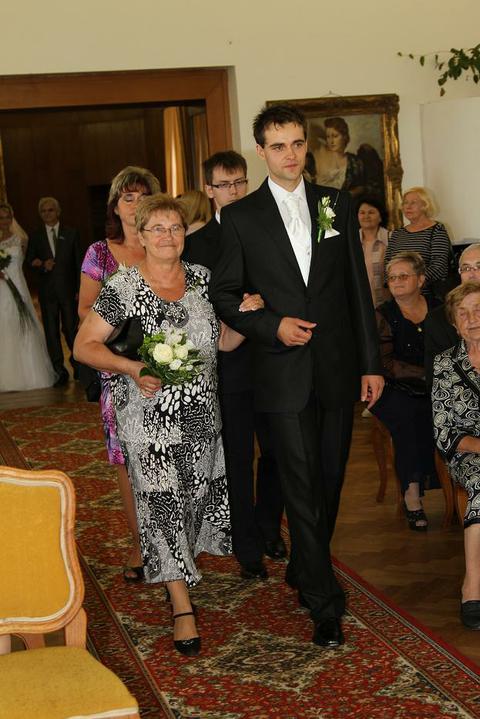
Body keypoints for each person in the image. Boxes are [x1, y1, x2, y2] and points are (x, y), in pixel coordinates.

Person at [210, 103, 383, 648]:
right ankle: (324, 602)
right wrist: (271, 325)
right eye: (278, 145)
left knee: (330, 479)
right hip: (281, 373)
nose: (290, 154)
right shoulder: (241, 217)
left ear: (307, 146)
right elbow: (224, 294)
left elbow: (356, 288)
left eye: (297, 143)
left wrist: (371, 363)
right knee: (302, 483)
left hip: (335, 368)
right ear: (262, 151)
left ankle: (306, 565)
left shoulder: (336, 203)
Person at [74, 194, 263, 656]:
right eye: (156, 228)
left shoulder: (202, 280)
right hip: (147, 416)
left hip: (201, 416)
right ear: (140, 236)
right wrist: (132, 368)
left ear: (185, 234)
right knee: (162, 506)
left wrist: (248, 316)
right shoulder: (123, 286)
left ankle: (175, 569)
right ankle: (181, 605)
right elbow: (84, 346)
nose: (167, 236)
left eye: (175, 228)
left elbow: (223, 342)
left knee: (193, 501)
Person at [183, 150, 285, 580]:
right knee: (239, 457)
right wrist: (240, 313)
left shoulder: (270, 229)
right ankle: (247, 546)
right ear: (209, 190)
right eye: (224, 185)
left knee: (279, 451)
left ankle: (269, 526)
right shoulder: (196, 244)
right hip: (230, 363)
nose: (235, 191)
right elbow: (197, 307)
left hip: (275, 358)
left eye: (240, 182)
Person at [78, 166, 161, 582]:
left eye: (143, 196)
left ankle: (172, 539)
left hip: (167, 368)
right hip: (119, 373)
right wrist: (125, 333)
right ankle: (140, 541)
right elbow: (84, 311)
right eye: (128, 197)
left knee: (165, 457)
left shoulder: (164, 244)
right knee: (129, 461)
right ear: (115, 205)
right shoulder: (100, 253)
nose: (135, 204)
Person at [371, 251, 440, 531]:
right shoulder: (383, 314)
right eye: (392, 277)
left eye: (403, 276)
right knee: (408, 417)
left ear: (421, 279)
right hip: (391, 387)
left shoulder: (438, 308)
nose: (396, 281)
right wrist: (427, 375)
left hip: (435, 384)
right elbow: (385, 364)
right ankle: (412, 497)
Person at [432, 282, 480, 630]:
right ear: (454, 324)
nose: (472, 318)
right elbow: (444, 431)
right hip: (469, 454)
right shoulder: (445, 364)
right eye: (462, 313)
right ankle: (473, 586)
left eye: (478, 309)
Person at [26, 196, 83, 386]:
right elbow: (29, 261)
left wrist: (80, 289)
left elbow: (79, 263)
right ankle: (59, 371)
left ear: (58, 212)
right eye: (43, 211)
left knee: (71, 330)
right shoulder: (35, 236)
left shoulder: (71, 233)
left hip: (68, 291)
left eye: (50, 210)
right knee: (51, 332)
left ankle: (78, 366)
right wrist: (42, 265)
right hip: (47, 293)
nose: (47, 214)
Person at [0, 202, 56, 391]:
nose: (4, 221)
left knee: (22, 324)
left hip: (18, 286)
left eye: (7, 217)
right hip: (1, 289)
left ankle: (30, 374)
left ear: (12, 218)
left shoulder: (21, 239)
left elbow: (30, 260)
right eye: (1, 218)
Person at [424, 243, 480, 388]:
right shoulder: (437, 320)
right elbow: (436, 381)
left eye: (479, 266)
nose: (472, 274)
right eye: (466, 268)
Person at [384, 187, 451, 297]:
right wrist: (394, 282)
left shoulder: (437, 229)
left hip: (428, 296)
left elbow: (439, 265)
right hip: (399, 295)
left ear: (425, 205)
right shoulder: (397, 234)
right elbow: (387, 263)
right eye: (405, 203)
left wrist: (414, 283)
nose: (408, 206)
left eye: (413, 203)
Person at [313, 117, 365, 197]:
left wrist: (347, 195)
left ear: (344, 137)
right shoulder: (319, 158)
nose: (331, 141)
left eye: (335, 136)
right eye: (328, 137)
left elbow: (362, 187)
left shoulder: (354, 162)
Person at [358, 196, 390, 308]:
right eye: (362, 213)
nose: (366, 216)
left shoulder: (391, 239)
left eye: (371, 212)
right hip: (360, 304)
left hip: (387, 305)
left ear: (380, 217)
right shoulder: (350, 242)